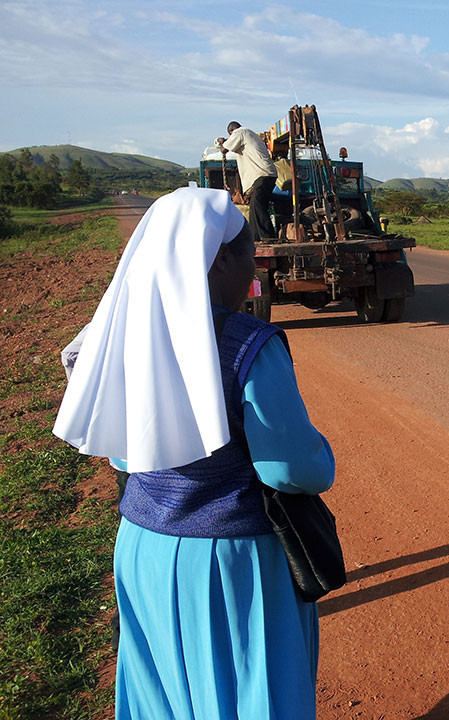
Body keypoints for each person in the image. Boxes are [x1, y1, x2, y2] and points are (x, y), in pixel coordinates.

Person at [53, 187, 335, 718]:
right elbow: (294, 469)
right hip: (233, 561)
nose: (252, 275)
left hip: (142, 546)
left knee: (162, 687)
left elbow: (119, 449)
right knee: (254, 691)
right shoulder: (249, 343)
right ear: (219, 255)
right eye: (249, 257)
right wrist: (323, 457)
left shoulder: (113, 333)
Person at [217, 121, 278, 241]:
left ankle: (268, 236)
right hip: (267, 175)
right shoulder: (249, 133)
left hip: (263, 175)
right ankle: (255, 237)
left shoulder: (239, 132)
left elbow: (224, 150)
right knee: (255, 208)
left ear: (230, 133)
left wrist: (221, 142)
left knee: (258, 207)